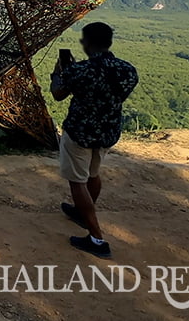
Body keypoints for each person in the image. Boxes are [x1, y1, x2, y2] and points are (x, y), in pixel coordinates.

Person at [51, 22, 139, 259]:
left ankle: (97, 239)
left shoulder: (79, 71)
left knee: (77, 182)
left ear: (87, 43)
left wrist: (58, 74)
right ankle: (83, 213)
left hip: (79, 133)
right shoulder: (127, 71)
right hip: (107, 134)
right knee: (92, 174)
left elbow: (58, 94)